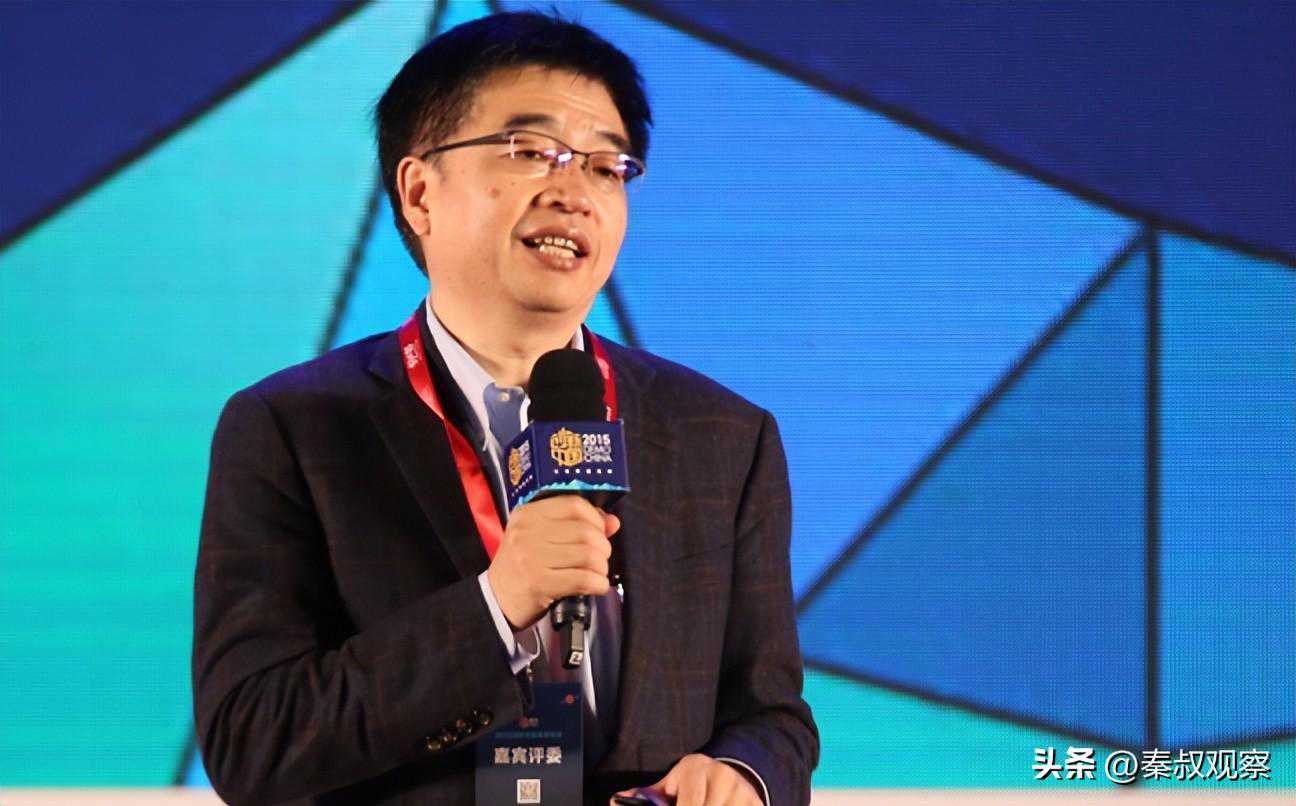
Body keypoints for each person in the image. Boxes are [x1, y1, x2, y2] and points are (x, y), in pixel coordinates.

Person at [192, 12, 817, 805]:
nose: (574, 193)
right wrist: (497, 605)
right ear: (420, 192)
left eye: (606, 167)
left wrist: (743, 777)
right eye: (530, 150)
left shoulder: (723, 435)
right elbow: (253, 740)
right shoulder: (291, 428)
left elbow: (772, 715)